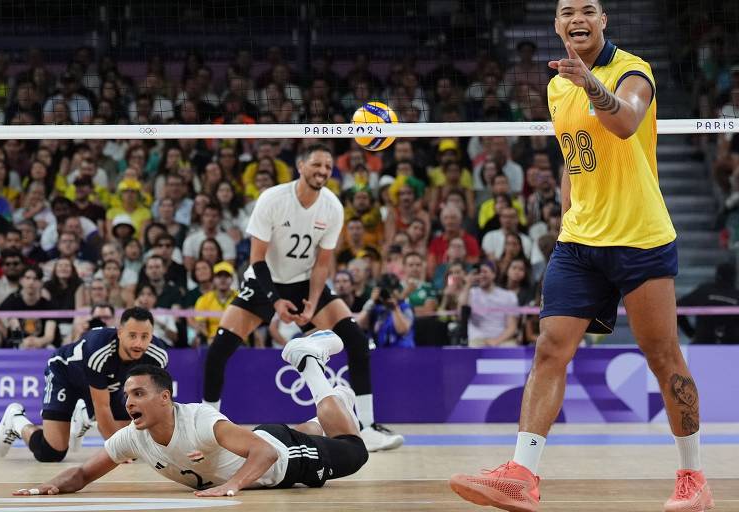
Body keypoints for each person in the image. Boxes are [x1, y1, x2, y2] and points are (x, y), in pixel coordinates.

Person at [450, 1, 714, 510]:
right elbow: (575, 151)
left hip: (640, 237)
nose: (578, 18)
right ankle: (522, 475)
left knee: (662, 356)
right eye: (567, 10)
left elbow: (624, 122)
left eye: (588, 10)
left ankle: (693, 478)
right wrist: (567, 206)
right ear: (557, 23)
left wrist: (589, 81)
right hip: (579, 242)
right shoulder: (555, 85)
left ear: (603, 20)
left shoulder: (634, 69)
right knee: (550, 348)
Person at [203, 143, 403, 452]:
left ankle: (367, 427)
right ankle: (207, 426)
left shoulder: (333, 207)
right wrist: (274, 302)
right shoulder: (273, 199)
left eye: (327, 167)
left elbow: (322, 263)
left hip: (305, 281)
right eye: (316, 165)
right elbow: (256, 259)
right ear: (300, 166)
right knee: (219, 350)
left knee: (356, 340)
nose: (322, 171)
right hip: (264, 280)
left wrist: (311, 302)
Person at [12, 332, 368, 497]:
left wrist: (231, 487)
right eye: (126, 396)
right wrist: (51, 486)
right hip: (253, 442)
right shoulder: (132, 437)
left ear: (165, 397)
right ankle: (327, 412)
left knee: (355, 448)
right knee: (303, 428)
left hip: (286, 461)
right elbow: (83, 473)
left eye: (138, 394)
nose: (128, 403)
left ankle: (311, 365)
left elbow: (266, 452)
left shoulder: (196, 417)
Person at [0, 307, 168, 463]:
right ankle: (15, 420)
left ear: (152, 335)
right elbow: (103, 409)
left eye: (145, 336)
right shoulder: (99, 350)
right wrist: (118, 452)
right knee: (51, 453)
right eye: (132, 335)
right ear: (120, 332)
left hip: (107, 383)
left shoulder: (158, 356)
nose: (138, 343)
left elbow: (156, 403)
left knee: (131, 446)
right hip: (66, 373)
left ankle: (84, 413)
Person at [677, 262, 739, 344]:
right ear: (734, 277)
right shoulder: (736, 295)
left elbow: (677, 308)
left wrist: (690, 333)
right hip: (732, 347)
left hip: (702, 344)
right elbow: (677, 309)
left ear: (717, 275)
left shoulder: (704, 291)